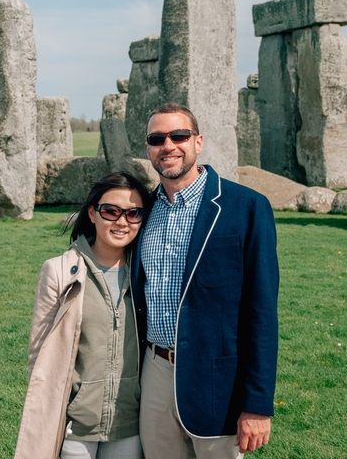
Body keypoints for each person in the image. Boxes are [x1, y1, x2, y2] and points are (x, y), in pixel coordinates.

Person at [131, 103, 280, 459]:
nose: (168, 145)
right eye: (156, 138)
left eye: (178, 135)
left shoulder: (247, 206)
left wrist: (258, 403)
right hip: (155, 372)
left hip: (219, 379)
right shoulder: (140, 212)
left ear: (198, 142)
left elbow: (261, 311)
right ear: (149, 148)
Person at [14, 172, 152, 459]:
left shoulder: (146, 275)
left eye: (133, 213)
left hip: (130, 424)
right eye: (111, 211)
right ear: (92, 213)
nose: (122, 221)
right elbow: (39, 356)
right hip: (76, 427)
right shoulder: (59, 271)